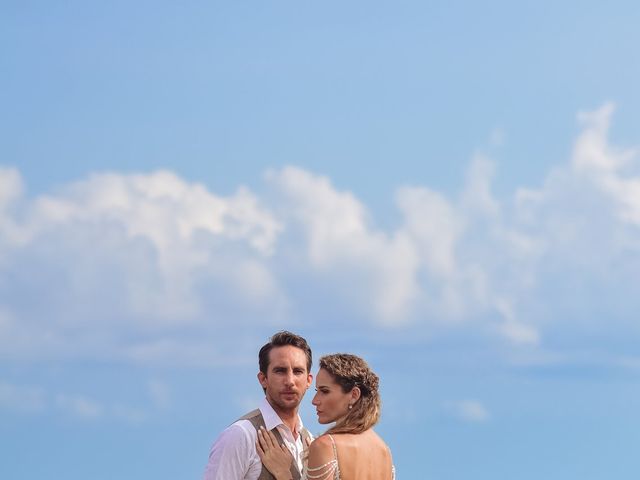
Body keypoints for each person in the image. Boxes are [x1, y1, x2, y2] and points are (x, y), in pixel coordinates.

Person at [256, 353, 395, 480]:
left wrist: (283, 473)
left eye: (324, 391)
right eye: (317, 391)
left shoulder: (326, 446)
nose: (315, 400)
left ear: (354, 395)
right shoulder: (384, 451)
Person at [203, 331, 314, 480]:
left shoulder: (309, 442)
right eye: (280, 371)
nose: (290, 381)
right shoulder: (240, 435)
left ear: (308, 380)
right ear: (263, 379)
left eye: (297, 371)